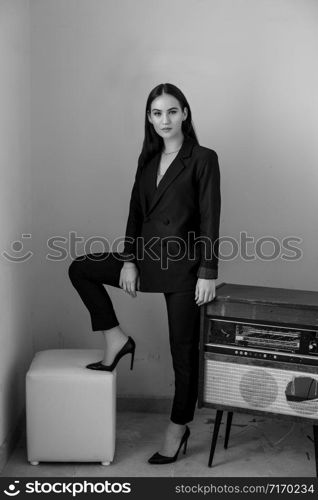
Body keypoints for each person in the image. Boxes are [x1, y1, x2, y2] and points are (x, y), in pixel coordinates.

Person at [68, 82, 221, 464]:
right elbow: (135, 215)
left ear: (185, 112)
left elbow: (210, 218)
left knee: (182, 354)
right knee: (80, 269)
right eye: (156, 113)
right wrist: (130, 261)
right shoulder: (147, 161)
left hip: (185, 266)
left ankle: (177, 427)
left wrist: (208, 271)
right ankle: (117, 339)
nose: (164, 119)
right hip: (146, 257)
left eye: (171, 111)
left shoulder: (203, 158)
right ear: (149, 119)